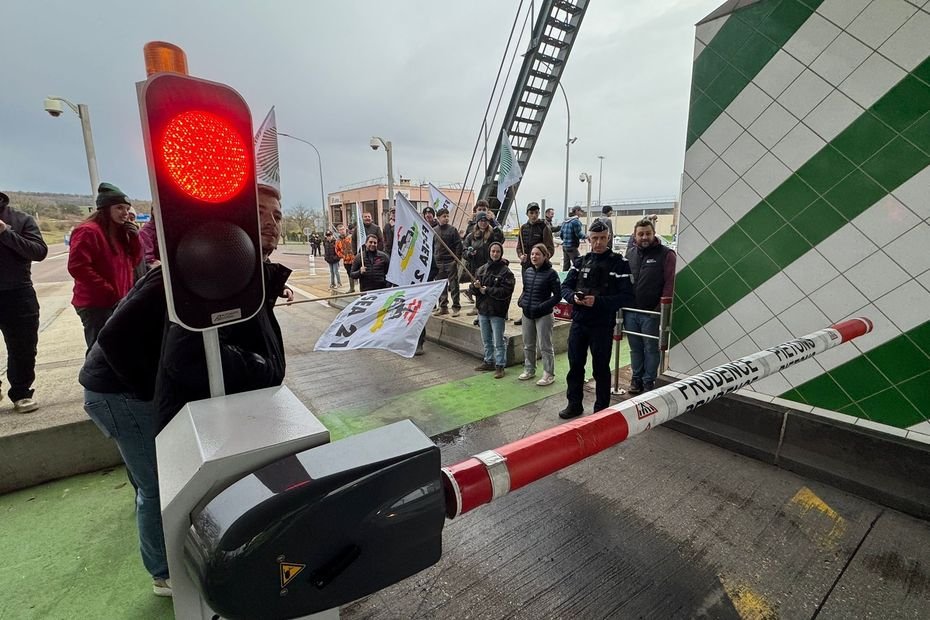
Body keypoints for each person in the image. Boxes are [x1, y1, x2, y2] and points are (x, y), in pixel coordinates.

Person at [78, 184, 292, 598]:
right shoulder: (192, 271)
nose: (270, 223)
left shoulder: (238, 270)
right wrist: (153, 392)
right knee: (160, 484)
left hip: (134, 386)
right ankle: (164, 572)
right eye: (259, 212)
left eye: (277, 215)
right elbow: (118, 337)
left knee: (154, 478)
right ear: (233, 223)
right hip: (120, 391)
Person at [559, 220, 633, 420]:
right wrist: (573, 297)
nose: (598, 242)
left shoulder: (620, 263)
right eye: (594, 238)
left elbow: (627, 296)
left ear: (608, 237)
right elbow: (564, 287)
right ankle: (574, 404)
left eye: (602, 238)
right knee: (575, 366)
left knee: (601, 368)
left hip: (602, 324)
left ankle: (601, 411)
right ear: (589, 239)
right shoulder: (580, 262)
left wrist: (598, 302)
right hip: (579, 323)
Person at [67, 183, 142, 353]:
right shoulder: (89, 231)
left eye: (127, 208)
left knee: (118, 349)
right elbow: (78, 267)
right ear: (105, 209)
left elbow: (135, 261)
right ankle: (96, 380)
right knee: (99, 352)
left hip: (118, 300)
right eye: (119, 208)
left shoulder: (120, 231)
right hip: (97, 304)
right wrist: (108, 290)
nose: (125, 213)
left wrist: (135, 239)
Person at [0, 190, 48, 413]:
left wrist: (5, 233)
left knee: (23, 347)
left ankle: (21, 392)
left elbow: (39, 252)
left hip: (18, 293)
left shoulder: (20, 220)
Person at [625, 217, 676, 394]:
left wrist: (661, 309)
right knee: (635, 348)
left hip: (651, 312)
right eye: (641, 234)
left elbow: (670, 283)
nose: (644, 237)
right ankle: (636, 379)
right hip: (631, 311)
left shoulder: (666, 254)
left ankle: (649, 381)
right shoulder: (630, 253)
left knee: (650, 348)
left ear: (654, 234)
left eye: (648, 233)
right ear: (635, 235)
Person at [517, 244, 561, 386]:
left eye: (537, 254)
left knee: (545, 345)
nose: (534, 257)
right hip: (527, 313)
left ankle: (549, 373)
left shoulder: (551, 273)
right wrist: (521, 301)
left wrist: (542, 306)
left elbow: (557, 296)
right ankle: (529, 369)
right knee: (528, 344)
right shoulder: (528, 271)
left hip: (544, 315)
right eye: (532, 254)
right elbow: (525, 289)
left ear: (545, 256)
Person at [470, 241, 515, 379]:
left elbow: (506, 291)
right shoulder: (481, 269)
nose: (495, 254)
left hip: (497, 311)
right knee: (486, 339)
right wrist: (475, 287)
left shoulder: (506, 272)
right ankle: (488, 361)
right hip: (483, 310)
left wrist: (487, 290)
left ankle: (500, 365)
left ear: (501, 253)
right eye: (493, 251)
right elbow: (472, 291)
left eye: (497, 251)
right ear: (489, 252)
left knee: (498, 340)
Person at [515, 202, 554, 325]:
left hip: (541, 267)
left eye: (536, 212)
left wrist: (543, 260)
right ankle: (525, 315)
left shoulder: (544, 227)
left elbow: (550, 248)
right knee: (526, 290)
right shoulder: (523, 228)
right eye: (531, 213)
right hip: (526, 265)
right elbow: (518, 247)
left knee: (540, 291)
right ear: (527, 214)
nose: (534, 215)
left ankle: (541, 315)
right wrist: (521, 255)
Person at [463, 212, 504, 316]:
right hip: (476, 267)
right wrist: (469, 253)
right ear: (477, 222)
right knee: (477, 287)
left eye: (485, 221)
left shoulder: (492, 234)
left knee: (489, 287)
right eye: (481, 221)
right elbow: (464, 251)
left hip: (490, 266)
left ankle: (490, 307)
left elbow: (501, 239)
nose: (483, 223)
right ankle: (477, 307)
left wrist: (494, 223)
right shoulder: (471, 236)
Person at [432, 207, 464, 317]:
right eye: (444, 216)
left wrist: (457, 259)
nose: (446, 218)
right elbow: (432, 246)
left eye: (447, 216)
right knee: (441, 286)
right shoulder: (434, 231)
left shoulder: (452, 230)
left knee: (454, 285)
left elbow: (458, 245)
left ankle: (456, 307)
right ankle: (443, 307)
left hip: (450, 261)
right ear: (438, 218)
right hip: (438, 262)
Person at [560, 206, 586, 272]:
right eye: (580, 211)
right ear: (577, 211)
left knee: (566, 266)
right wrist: (587, 236)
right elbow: (579, 234)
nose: (581, 213)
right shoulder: (576, 222)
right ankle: (578, 280)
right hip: (572, 246)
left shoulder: (565, 222)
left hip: (565, 246)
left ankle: (563, 279)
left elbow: (561, 235)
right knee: (579, 264)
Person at [335, 225, 357, 293]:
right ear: (338, 231)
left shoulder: (350, 237)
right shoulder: (338, 241)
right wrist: (342, 256)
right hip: (346, 261)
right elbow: (337, 250)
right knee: (349, 274)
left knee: (358, 272)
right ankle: (352, 288)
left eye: (343, 229)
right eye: (340, 230)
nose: (342, 231)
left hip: (354, 259)